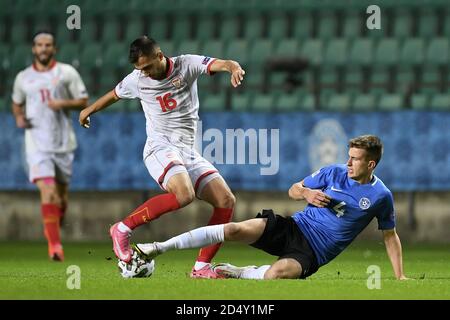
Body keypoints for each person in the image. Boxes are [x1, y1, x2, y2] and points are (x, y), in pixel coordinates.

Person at [78, 36, 245, 278]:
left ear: (160, 56)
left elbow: (218, 63)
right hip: (160, 147)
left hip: (187, 150)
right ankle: (122, 229)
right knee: (184, 194)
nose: (144, 73)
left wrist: (233, 66)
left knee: (226, 200)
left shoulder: (185, 64)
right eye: (139, 69)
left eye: (147, 67)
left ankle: (201, 268)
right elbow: (114, 94)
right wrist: (88, 110)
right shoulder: (137, 79)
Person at [134, 135, 409, 280]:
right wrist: (307, 194)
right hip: (294, 227)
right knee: (233, 229)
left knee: (275, 275)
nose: (348, 164)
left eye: (355, 160)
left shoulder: (380, 196)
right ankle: (158, 248)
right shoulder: (333, 172)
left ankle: (236, 272)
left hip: (313, 253)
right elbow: (294, 188)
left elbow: (390, 236)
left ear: (371, 164)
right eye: (348, 157)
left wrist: (400, 276)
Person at [11, 31, 89, 261]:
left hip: (63, 144)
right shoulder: (23, 78)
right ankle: (55, 246)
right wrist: (18, 118)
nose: (43, 49)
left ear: (54, 49)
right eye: (39, 45)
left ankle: (54, 221)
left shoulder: (66, 73)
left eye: (48, 45)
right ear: (33, 49)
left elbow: (83, 101)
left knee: (61, 200)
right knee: (49, 192)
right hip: (37, 145)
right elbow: (17, 104)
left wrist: (62, 103)